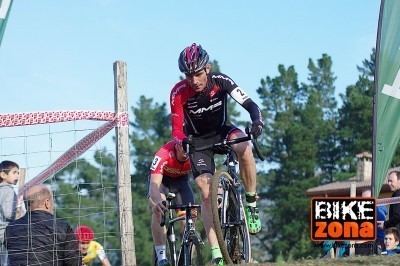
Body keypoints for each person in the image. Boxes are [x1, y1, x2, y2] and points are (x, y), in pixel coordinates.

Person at [170, 43, 264, 264]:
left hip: (222, 131)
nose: (194, 80)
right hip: (198, 141)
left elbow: (250, 104)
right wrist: (181, 141)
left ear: (208, 68)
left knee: (244, 147)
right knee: (205, 190)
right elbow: (175, 128)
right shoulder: (179, 92)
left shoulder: (221, 81)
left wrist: (257, 121)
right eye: (189, 75)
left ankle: (250, 203)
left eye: (198, 74)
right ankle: (216, 252)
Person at [5, 184, 80, 265]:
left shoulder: (11, 228)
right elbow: (73, 262)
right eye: (52, 201)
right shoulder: (63, 227)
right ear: (47, 203)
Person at [148, 140, 194, 266]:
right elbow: (154, 186)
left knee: (190, 220)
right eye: (183, 147)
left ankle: (187, 259)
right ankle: (161, 257)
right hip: (161, 183)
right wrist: (158, 202)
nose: (186, 151)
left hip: (181, 183)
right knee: (158, 211)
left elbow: (209, 176)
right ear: (177, 145)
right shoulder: (163, 153)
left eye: (188, 148)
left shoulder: (195, 151)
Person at [0, 160, 21, 266]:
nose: (17, 176)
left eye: (18, 173)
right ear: (3, 174)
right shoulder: (9, 190)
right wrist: (17, 209)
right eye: (14, 172)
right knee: (6, 261)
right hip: (4, 233)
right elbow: (8, 214)